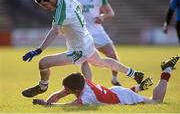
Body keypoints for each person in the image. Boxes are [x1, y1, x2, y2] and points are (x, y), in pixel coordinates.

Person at [22, 0, 144, 98]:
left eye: (44, 4)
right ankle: (132, 73)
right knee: (100, 62)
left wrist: (39, 50)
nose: (44, 8)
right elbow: (79, 7)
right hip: (87, 41)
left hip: (78, 49)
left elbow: (55, 31)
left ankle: (43, 87)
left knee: (43, 63)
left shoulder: (61, 9)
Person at [32, 55, 179, 106]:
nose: (65, 91)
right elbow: (58, 96)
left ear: (76, 91)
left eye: (68, 90)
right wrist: (46, 102)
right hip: (114, 92)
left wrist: (49, 106)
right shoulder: (82, 82)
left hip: (122, 97)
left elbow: (69, 106)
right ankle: (138, 88)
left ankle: (166, 70)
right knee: (114, 95)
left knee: (156, 101)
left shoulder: (86, 97)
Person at [69, 0, 121, 85]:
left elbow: (110, 12)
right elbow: (66, 14)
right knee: (84, 61)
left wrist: (102, 17)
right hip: (82, 34)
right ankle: (89, 86)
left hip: (97, 32)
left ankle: (114, 79)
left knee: (113, 56)